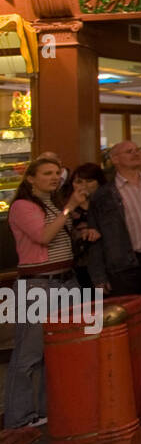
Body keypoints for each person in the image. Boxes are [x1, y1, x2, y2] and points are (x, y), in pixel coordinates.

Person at [2, 158, 89, 429]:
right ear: (31, 178)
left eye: (56, 173)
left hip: (65, 279)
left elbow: (62, 237)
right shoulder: (21, 206)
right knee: (30, 354)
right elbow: (43, 236)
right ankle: (19, 418)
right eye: (47, 173)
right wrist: (69, 208)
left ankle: (47, 410)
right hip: (38, 284)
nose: (54, 178)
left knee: (62, 350)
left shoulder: (53, 202)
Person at [87, 140, 141, 380]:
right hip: (123, 265)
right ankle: (131, 376)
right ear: (115, 159)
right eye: (129, 151)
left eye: (137, 150)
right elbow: (96, 238)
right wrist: (99, 276)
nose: (136, 153)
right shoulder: (104, 195)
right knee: (128, 322)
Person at [64, 162, 105, 288]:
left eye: (89, 181)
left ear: (99, 182)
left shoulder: (106, 203)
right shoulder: (66, 204)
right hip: (77, 263)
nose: (84, 186)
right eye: (79, 181)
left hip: (105, 260)